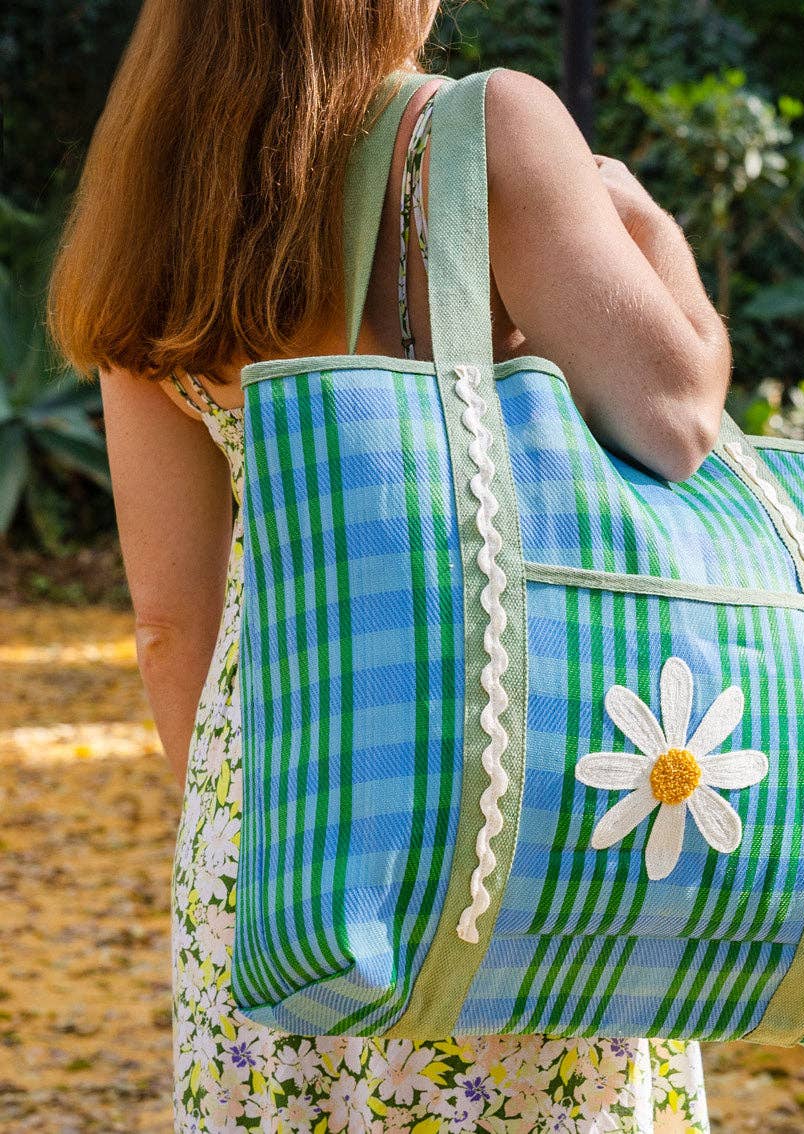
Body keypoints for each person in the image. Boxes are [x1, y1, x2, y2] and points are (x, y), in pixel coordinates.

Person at [48, 1, 731, 1129]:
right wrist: (652, 229)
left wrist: (277, 842)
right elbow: (677, 418)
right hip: (507, 787)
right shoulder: (486, 132)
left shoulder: (154, 212)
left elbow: (170, 624)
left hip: (267, 833)